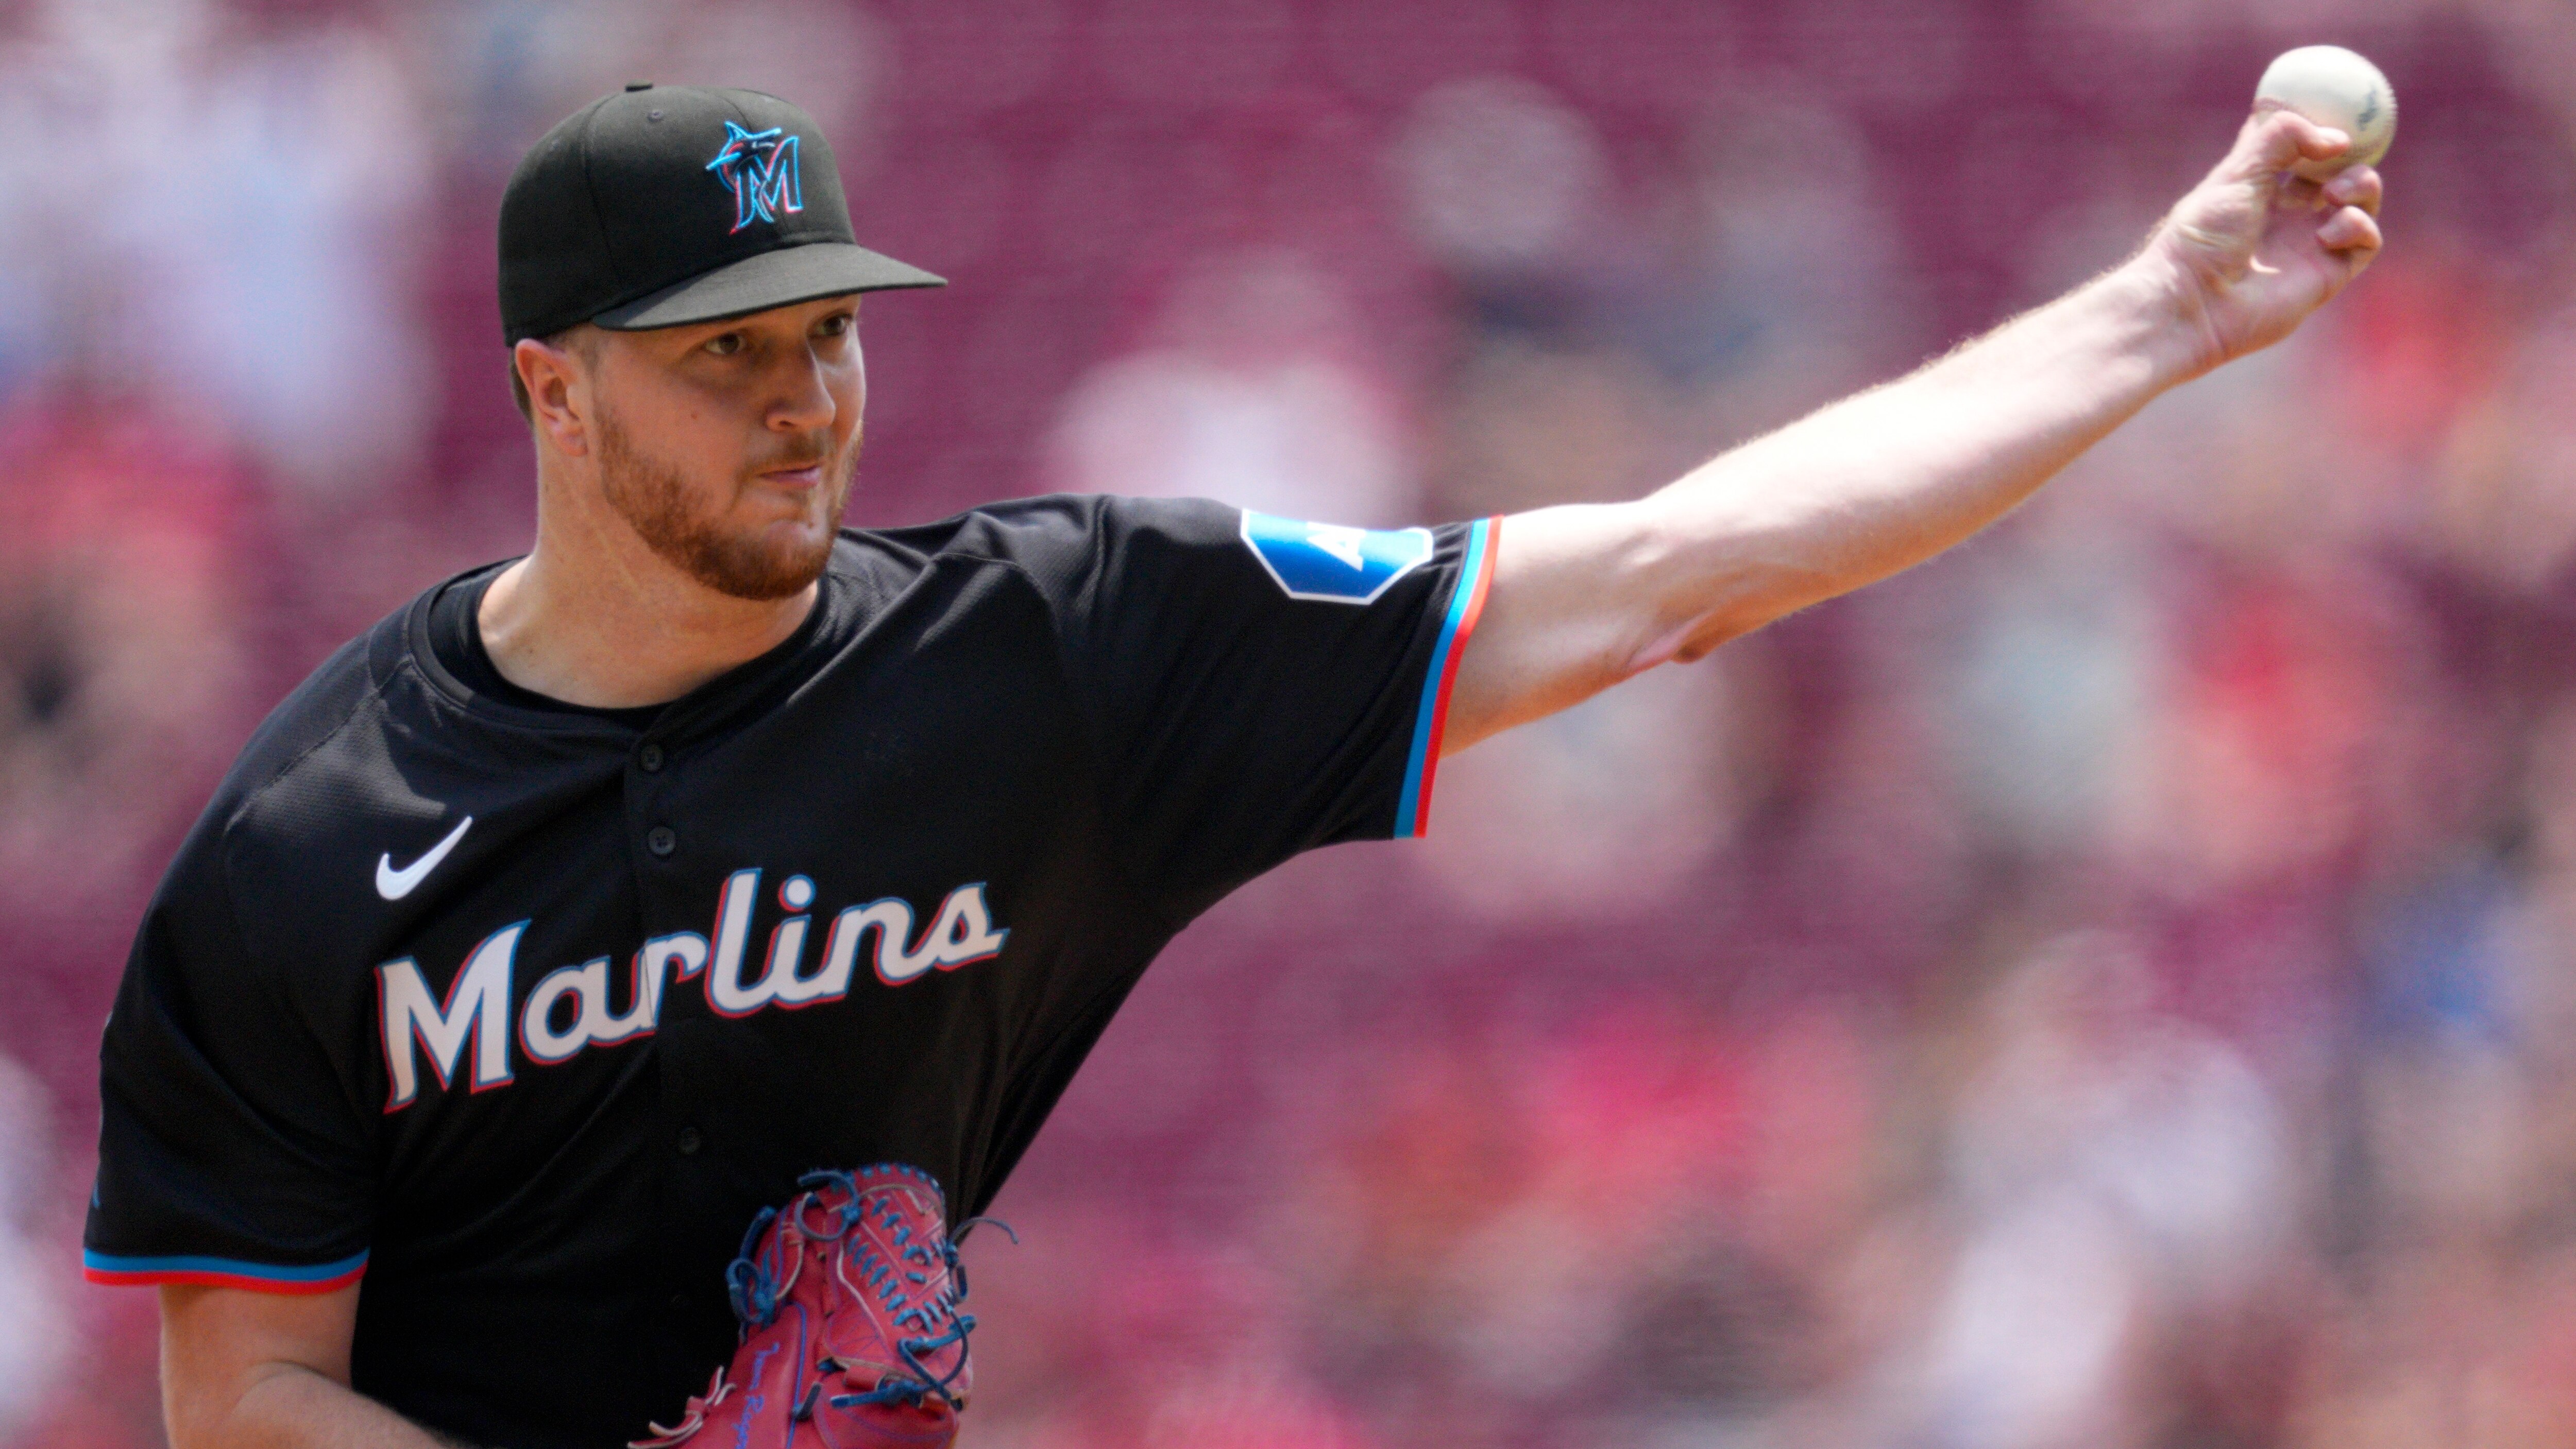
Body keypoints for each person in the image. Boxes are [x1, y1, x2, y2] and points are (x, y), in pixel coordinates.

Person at [80, 79, 2382, 1449]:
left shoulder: (1053, 654)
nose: (802, 396)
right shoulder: (316, 850)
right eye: (719, 355)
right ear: (549, 391)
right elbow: (246, 1400)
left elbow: (1669, 565)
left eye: (826, 334)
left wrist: (2153, 320)